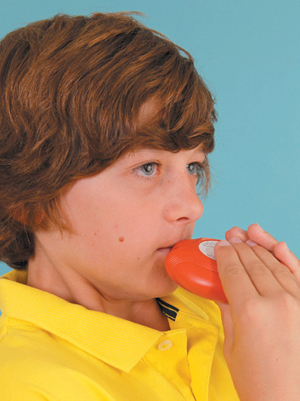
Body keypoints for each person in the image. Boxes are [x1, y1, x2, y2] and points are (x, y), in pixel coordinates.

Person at [0, 12, 299, 401]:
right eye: (147, 167)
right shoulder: (22, 383)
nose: (192, 206)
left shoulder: (225, 313)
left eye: (193, 166)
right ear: (29, 200)